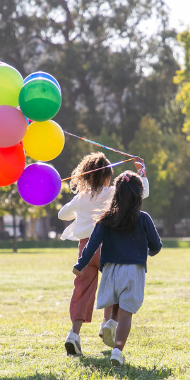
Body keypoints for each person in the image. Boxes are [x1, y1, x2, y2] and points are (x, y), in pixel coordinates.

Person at [58, 153, 149, 357]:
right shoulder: (113, 192)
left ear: (86, 176)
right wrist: (141, 172)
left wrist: (81, 207)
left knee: (82, 291)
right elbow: (142, 193)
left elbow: (62, 214)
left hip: (85, 249)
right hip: (108, 247)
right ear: (109, 175)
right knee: (114, 286)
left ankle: (74, 334)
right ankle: (107, 324)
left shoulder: (81, 197)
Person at [72, 171, 162, 366]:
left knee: (115, 302)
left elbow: (92, 245)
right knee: (126, 314)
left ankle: (110, 323)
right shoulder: (144, 218)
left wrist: (80, 264)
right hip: (133, 271)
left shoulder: (105, 218)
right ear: (139, 195)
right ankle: (117, 352)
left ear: (116, 193)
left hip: (110, 270)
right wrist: (147, 251)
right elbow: (156, 245)